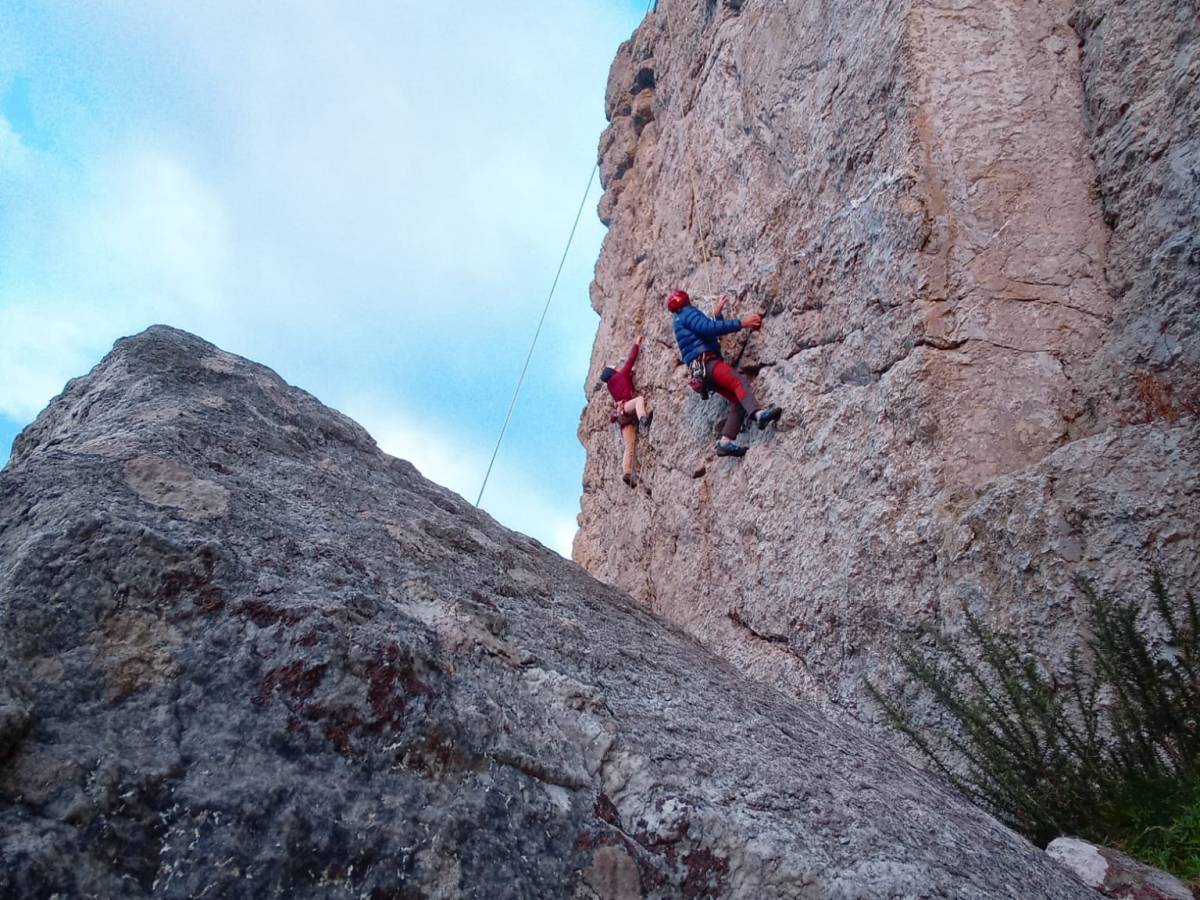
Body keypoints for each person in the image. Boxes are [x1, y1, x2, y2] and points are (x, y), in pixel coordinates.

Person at [668, 288, 781, 457]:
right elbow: (708, 329)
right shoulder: (689, 313)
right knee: (738, 381)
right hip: (707, 362)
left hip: (700, 372)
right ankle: (759, 415)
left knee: (738, 400)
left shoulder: (678, 320)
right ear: (687, 300)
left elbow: (704, 333)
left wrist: (716, 314)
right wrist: (742, 323)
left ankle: (725, 442)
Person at [599, 335, 652, 487]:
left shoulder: (611, 386)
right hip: (628, 408)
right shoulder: (621, 375)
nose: (616, 368)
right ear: (613, 372)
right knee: (639, 401)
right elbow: (631, 360)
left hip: (622, 417)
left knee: (629, 444)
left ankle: (627, 472)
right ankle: (643, 418)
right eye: (614, 368)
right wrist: (636, 343)